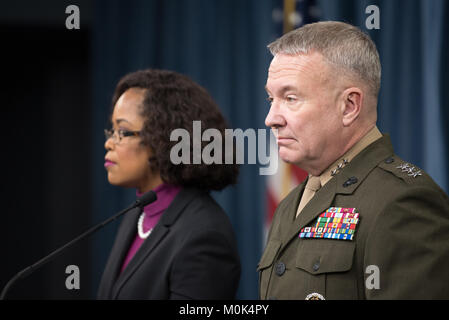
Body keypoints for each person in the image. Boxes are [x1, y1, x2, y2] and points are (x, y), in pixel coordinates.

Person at [259, 21, 449, 300]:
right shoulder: (291, 203)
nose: (271, 119)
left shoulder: (403, 201)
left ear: (349, 106)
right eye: (270, 99)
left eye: (290, 98)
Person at [97, 69, 240, 299]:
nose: (109, 143)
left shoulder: (204, 234)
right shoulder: (138, 215)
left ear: (162, 137)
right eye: (111, 130)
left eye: (122, 132)